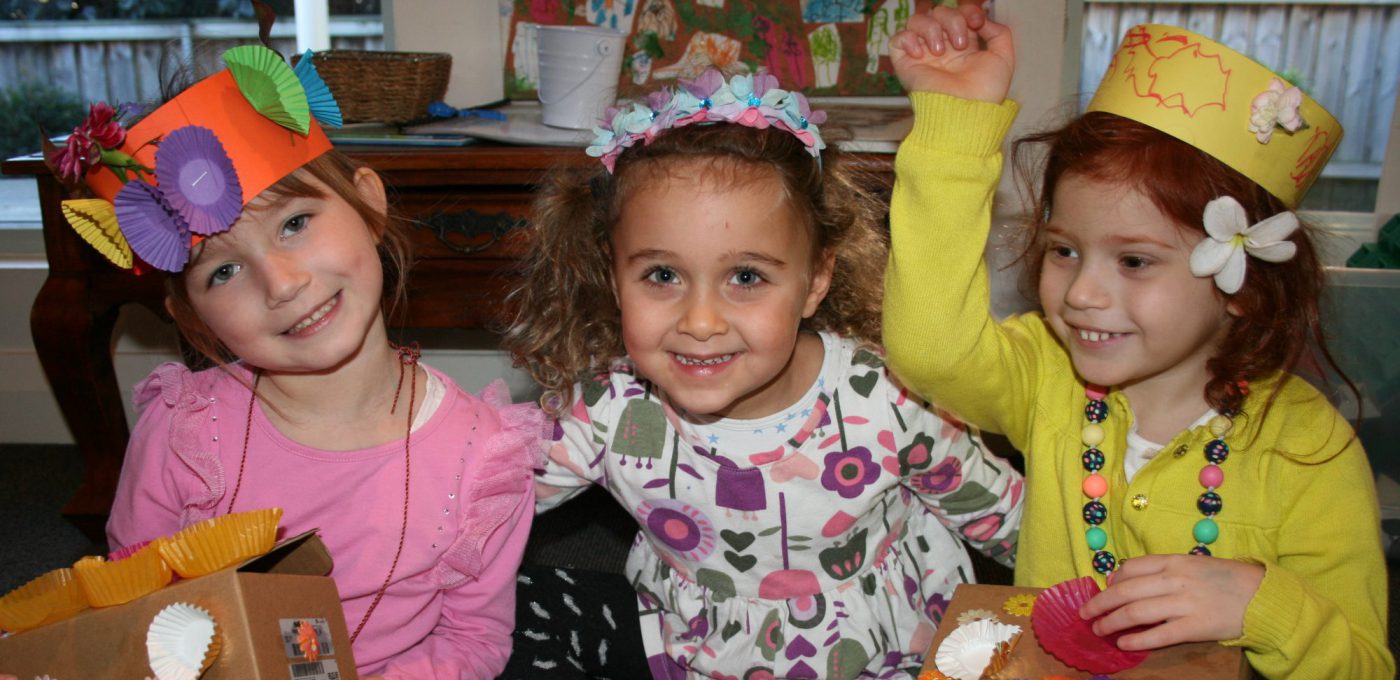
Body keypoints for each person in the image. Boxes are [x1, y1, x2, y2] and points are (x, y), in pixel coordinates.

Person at [883, 5, 1393, 678]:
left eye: (1134, 261)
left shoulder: (1309, 449)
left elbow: (1364, 665)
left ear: (1242, 285)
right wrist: (956, 121)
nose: (1081, 293)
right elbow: (931, 349)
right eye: (1065, 250)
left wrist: (1262, 607)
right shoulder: (1050, 375)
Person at [502, 68, 1024, 678]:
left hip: (892, 651)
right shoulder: (606, 412)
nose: (700, 321)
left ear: (815, 279)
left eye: (746, 277)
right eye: (662, 275)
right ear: (615, 277)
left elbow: (1012, 521)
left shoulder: (889, 399)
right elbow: (479, 498)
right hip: (695, 650)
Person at [56, 45, 540, 679]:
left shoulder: (481, 457)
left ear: (368, 204)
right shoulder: (183, 435)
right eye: (224, 271)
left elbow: (472, 641)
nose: (281, 284)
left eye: (295, 223)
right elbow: (133, 607)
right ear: (192, 317)